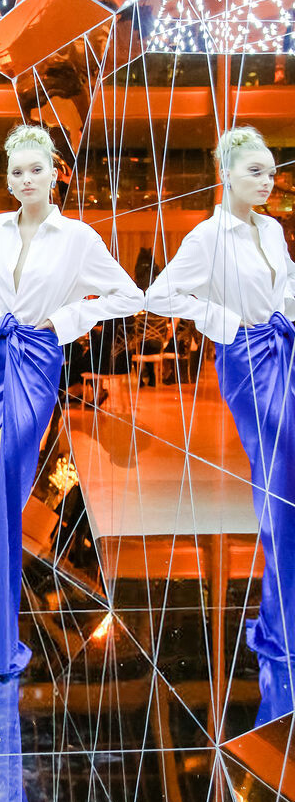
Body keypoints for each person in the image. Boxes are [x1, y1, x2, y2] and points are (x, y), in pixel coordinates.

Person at [0, 124, 144, 685]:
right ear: (8, 180)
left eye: (37, 169)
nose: (27, 179)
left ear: (54, 174)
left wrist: (63, 320)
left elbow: (128, 294)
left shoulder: (77, 238)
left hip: (34, 362)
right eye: (17, 171)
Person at [146, 125, 295, 667]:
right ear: (225, 174)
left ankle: (283, 612)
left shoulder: (271, 229)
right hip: (249, 360)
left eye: (271, 172)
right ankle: (283, 626)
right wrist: (226, 323)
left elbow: (287, 283)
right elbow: (160, 294)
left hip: (285, 347)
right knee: (279, 479)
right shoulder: (208, 237)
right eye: (256, 172)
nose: (268, 181)